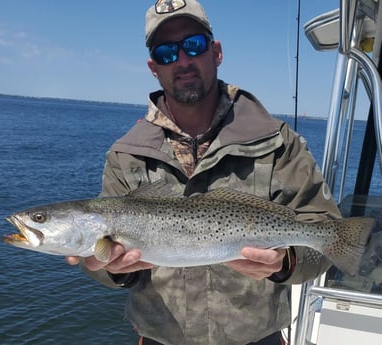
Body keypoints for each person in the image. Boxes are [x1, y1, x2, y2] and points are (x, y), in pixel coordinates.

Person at [67, 1, 341, 344]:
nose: (182, 61)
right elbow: (113, 267)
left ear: (216, 52)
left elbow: (328, 238)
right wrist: (112, 271)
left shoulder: (278, 142)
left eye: (193, 45)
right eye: (166, 52)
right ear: (154, 67)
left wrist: (286, 261)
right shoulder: (126, 155)